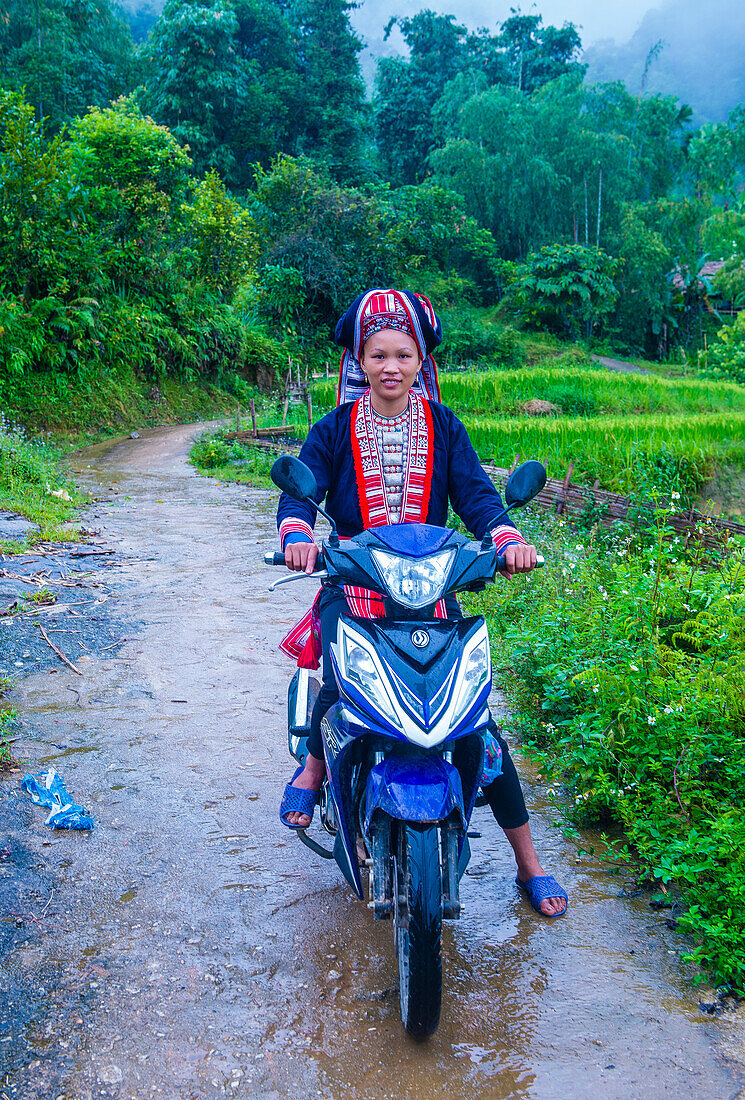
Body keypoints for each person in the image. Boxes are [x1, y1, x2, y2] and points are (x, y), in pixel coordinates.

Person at [275, 289, 567, 918]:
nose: (389, 365)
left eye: (402, 354)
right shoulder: (332, 430)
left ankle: (530, 864)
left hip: (433, 595)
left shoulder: (445, 428)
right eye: (376, 353)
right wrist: (297, 533)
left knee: (479, 729)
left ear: (420, 360)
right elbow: (302, 490)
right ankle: (317, 767)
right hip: (354, 589)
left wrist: (507, 538)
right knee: (338, 679)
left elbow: (479, 496)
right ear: (360, 358)